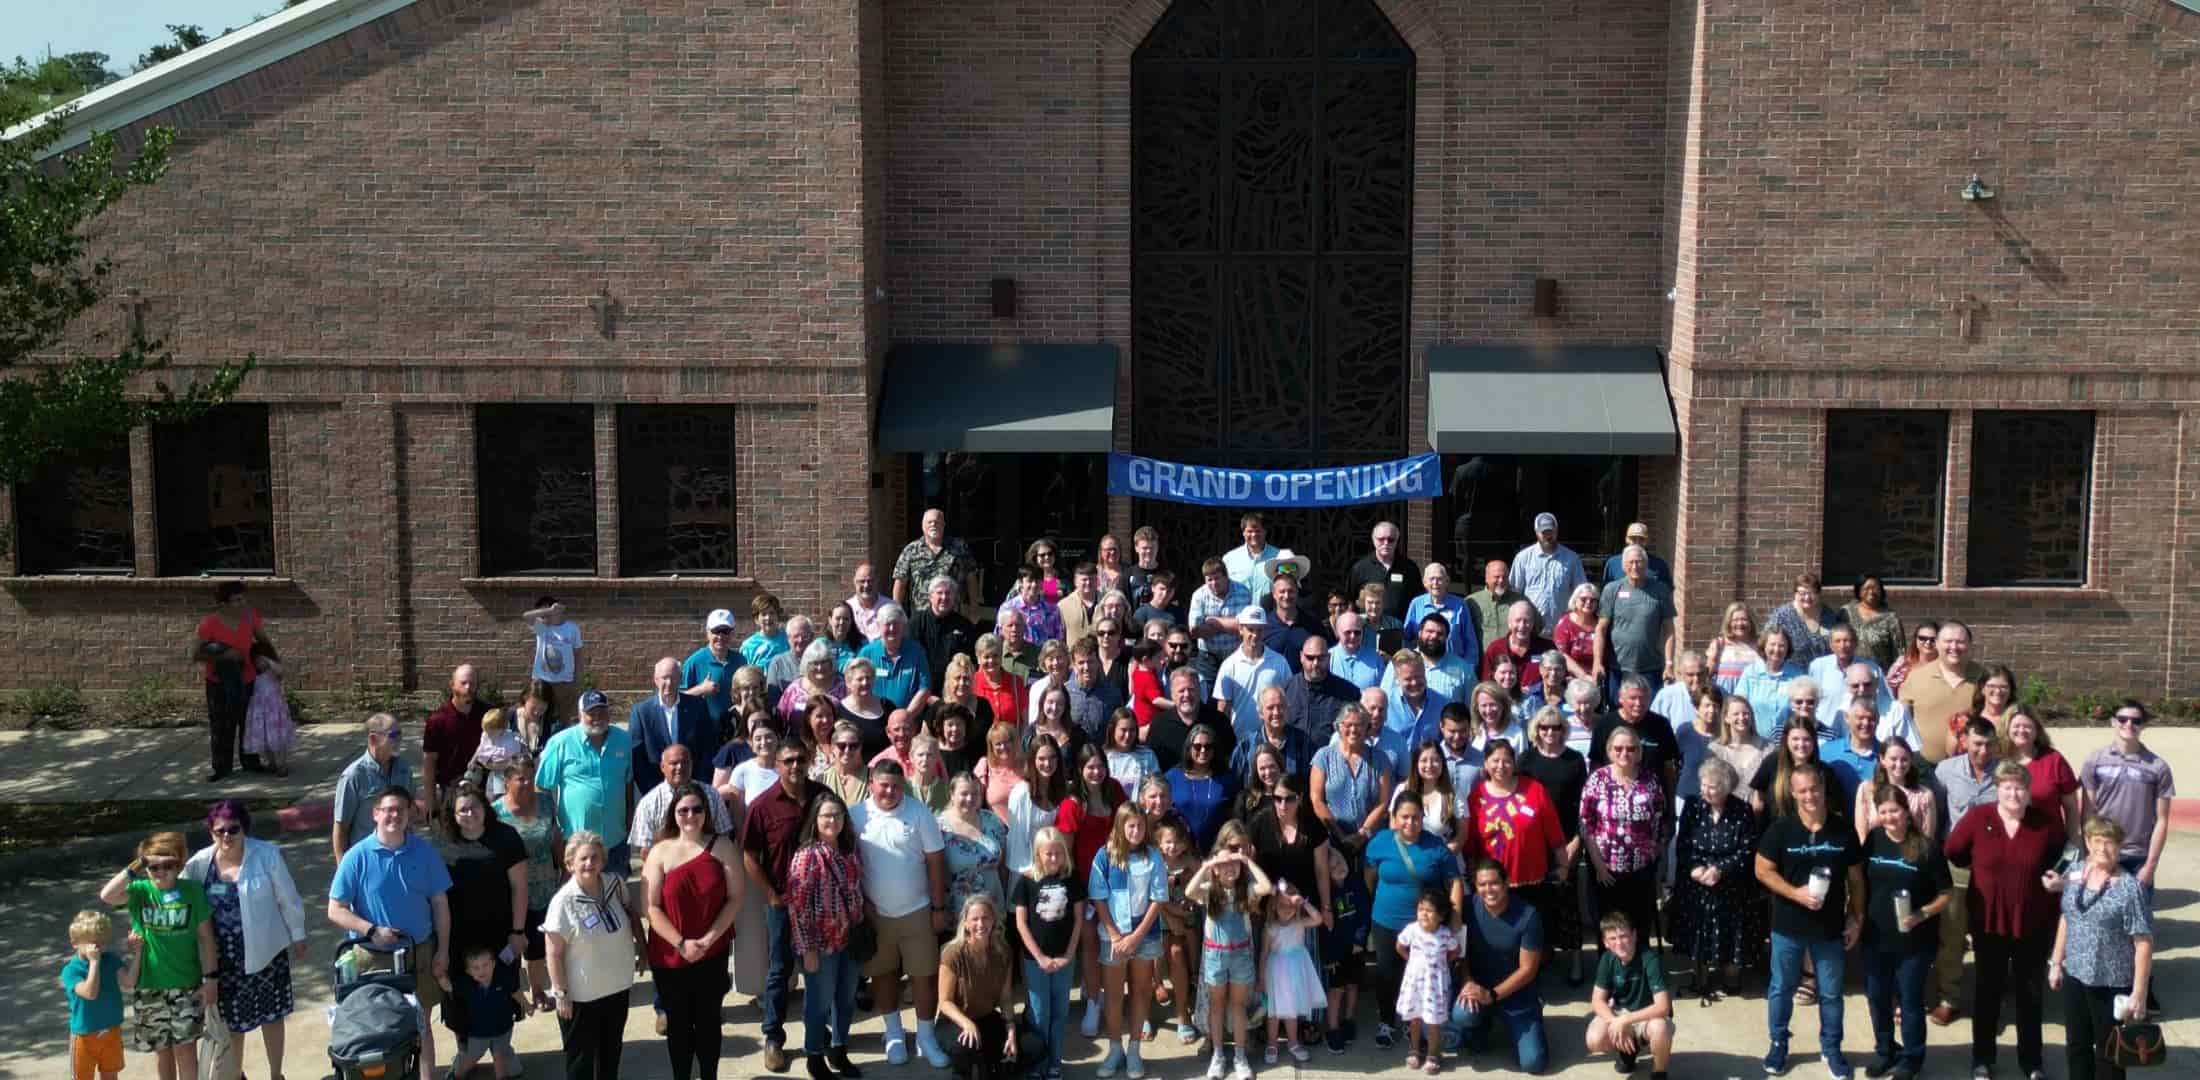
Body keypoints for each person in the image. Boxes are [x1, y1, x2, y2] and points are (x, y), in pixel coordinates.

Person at [1946, 760, 2065, 1080]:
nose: (2014, 793)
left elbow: (2060, 858)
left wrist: (2057, 881)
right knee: (1988, 993)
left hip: (2033, 922)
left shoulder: (2045, 823)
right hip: (1989, 922)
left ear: (2029, 792)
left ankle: (2032, 1062)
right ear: (1997, 789)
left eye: (2020, 787)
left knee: (2030, 995)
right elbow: (1954, 850)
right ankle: (1982, 1060)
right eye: (2007, 786)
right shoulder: (1978, 818)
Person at [325, 788, 453, 1080]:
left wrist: (442, 950)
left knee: (421, 1024)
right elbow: (335, 909)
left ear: (409, 815)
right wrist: (371, 930)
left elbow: (440, 904)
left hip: (419, 951)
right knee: (374, 1026)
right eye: (388, 809)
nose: (394, 815)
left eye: (401, 810)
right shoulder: (356, 857)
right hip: (371, 956)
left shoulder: (425, 853)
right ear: (376, 814)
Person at [1753, 761, 1863, 1079]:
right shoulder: (1781, 829)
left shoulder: (1842, 829)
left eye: (1814, 788)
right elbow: (1762, 869)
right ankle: (1778, 1044)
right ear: (1792, 792)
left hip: (1829, 929)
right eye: (1802, 790)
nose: (1809, 796)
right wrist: (1794, 893)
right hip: (1788, 926)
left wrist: (1857, 918)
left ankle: (1831, 1049)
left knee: (1830, 993)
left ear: (1824, 788)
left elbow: (1856, 880)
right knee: (1781, 989)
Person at [852, 761, 953, 1068]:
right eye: (884, 785)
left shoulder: (919, 812)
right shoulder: (856, 815)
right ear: (872, 783)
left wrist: (937, 908)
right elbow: (849, 863)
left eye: (896, 786)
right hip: (876, 914)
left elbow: (935, 861)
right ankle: (893, 1033)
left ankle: (925, 1035)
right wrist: (861, 905)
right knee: (882, 974)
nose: (890, 791)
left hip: (918, 910)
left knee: (923, 975)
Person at [98, 831, 216, 1080]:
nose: (160, 871)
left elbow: (206, 938)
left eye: (168, 865)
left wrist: (211, 979)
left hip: (187, 985)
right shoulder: (140, 891)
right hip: (150, 987)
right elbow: (107, 895)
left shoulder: (192, 891)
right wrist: (139, 863)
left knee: (185, 1051)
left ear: (179, 865)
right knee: (162, 1053)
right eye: (153, 866)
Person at [641, 782, 739, 1080]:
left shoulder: (722, 846)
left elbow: (735, 898)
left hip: (713, 952)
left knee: (709, 1023)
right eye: (683, 810)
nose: (690, 815)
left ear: (706, 812)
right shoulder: (659, 852)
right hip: (670, 956)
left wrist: (708, 941)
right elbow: (651, 907)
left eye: (697, 809)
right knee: (679, 1025)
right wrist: (682, 943)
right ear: (674, 814)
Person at [2050, 814, 2155, 1080]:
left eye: (2110, 843)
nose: (2102, 849)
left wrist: (2139, 994)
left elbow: (2143, 943)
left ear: (2119, 847)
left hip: (2110, 981)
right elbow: (2066, 916)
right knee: (2076, 1046)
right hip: (2075, 974)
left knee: (2109, 1053)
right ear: (2087, 842)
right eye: (2097, 841)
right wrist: (2055, 962)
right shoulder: (2075, 873)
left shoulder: (2130, 889)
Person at [1859, 782, 1952, 1080]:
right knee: (1876, 997)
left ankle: (1911, 1059)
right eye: (1883, 812)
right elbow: (1859, 882)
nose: (1889, 817)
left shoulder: (1925, 847)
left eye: (1894, 811)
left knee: (1911, 1002)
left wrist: (1921, 914)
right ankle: (1886, 1052)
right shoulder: (1873, 840)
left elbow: (1946, 893)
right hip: (1876, 937)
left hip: (1914, 942)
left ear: (1907, 812)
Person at [432, 784, 528, 1052]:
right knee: (459, 995)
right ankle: (465, 1051)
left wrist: (518, 931)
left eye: (475, 806)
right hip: (457, 935)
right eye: (462, 809)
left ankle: (501, 1050)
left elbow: (520, 887)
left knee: (500, 993)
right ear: (452, 813)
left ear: (485, 808)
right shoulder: (443, 843)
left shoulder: (506, 837)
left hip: (499, 933)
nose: (470, 813)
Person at [542, 830, 644, 1080]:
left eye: (594, 857)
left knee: (611, 1055)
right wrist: (561, 994)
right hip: (581, 998)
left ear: (603, 860)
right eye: (583, 859)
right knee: (581, 1063)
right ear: (569, 864)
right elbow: (553, 954)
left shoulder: (615, 884)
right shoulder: (563, 902)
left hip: (617, 987)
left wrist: (642, 947)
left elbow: (631, 914)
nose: (589, 863)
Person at [1365, 792, 1463, 1050]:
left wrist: (1455, 915)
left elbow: (1454, 880)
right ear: (1394, 819)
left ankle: (1414, 1023)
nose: (1410, 823)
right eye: (1404, 817)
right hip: (1385, 920)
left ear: (1423, 818)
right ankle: (1387, 1021)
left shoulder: (1435, 846)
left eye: (1416, 817)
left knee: (1421, 975)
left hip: (1425, 926)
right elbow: (1369, 876)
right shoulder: (1380, 842)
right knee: (1387, 973)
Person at [784, 793, 865, 1080]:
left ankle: (839, 1049)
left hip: (849, 940)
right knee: (818, 1003)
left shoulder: (849, 850)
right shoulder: (807, 856)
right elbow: (796, 905)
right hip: (821, 945)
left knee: (845, 1000)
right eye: (827, 815)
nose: (833, 820)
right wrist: (807, 949)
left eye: (838, 815)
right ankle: (814, 1055)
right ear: (815, 820)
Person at [1668, 757, 1760, 1002]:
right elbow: (1684, 843)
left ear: (1727, 788)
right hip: (1697, 881)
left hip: (1731, 882)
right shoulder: (1693, 805)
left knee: (1732, 939)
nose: (1705, 791)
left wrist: (1721, 870)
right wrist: (1695, 869)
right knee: (1698, 928)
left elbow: (1747, 849)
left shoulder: (1742, 810)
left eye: (1712, 787)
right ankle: (1700, 976)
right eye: (1703, 785)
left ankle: (1730, 973)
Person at [1929, 714, 2001, 1025]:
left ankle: (1990, 998)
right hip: (1956, 864)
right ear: (1964, 742)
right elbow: (1938, 815)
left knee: (1991, 935)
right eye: (1976, 744)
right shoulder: (1945, 771)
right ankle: (1949, 997)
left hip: (1994, 867)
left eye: (1988, 744)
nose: (1982, 750)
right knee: (1953, 932)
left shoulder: (2007, 774)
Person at [1091, 805, 1171, 1078]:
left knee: (1140, 992)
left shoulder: (1154, 857)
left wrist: (1136, 937)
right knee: (1113, 996)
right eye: (1131, 826)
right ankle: (1115, 1049)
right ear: (1120, 826)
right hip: (1112, 938)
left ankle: (1134, 1050)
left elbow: (1158, 898)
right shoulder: (1104, 856)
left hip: (1144, 938)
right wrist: (1115, 935)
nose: (1136, 831)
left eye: (1140, 826)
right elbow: (1098, 897)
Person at [1449, 860, 1548, 1072]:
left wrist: (1492, 995)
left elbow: (1528, 970)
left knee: (1534, 1063)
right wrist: (1467, 981)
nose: (1488, 890)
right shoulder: (1467, 907)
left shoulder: (1528, 915)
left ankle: (1527, 1020)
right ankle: (1479, 1027)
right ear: (1475, 886)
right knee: (1462, 1016)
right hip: (1479, 988)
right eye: (1482, 884)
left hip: (1516, 993)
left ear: (1507, 883)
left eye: (1494, 883)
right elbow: (1461, 953)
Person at [1514, 705, 1589, 983]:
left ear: (1563, 730)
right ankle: (1541, 957)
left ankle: (1576, 961)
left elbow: (1584, 804)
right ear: (1536, 730)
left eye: (1556, 727)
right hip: (1535, 842)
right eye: (1544, 727)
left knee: (1568, 902)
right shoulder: (1526, 761)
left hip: (1566, 840)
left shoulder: (1574, 761)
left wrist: (1576, 841)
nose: (1550, 733)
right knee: (1538, 902)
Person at [935, 895, 1044, 1080]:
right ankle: (964, 1072)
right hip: (954, 1021)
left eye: (985, 917)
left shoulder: (1003, 951)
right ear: (966, 923)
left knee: (1034, 1046)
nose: (980, 924)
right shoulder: (952, 953)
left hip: (986, 1018)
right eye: (975, 919)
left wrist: (1010, 1030)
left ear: (993, 920)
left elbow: (1006, 997)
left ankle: (996, 1067)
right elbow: (945, 1002)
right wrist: (966, 1023)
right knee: (966, 1045)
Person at [2079, 699, 2176, 898]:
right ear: (2113, 722)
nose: (2129, 724)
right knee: (2100, 922)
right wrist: (2088, 852)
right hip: (2102, 850)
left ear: (2143, 725)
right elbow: (2087, 812)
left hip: (2137, 856)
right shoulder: (2094, 761)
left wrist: (2150, 865)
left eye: (2136, 721)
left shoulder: (2158, 767)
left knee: (2137, 924)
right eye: (2122, 719)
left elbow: (2162, 821)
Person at [1011, 827, 1084, 1080]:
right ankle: (1036, 1064)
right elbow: (1021, 923)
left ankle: (1054, 1063)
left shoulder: (1072, 879)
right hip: (1035, 961)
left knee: (1060, 1012)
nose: (1053, 859)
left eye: (1058, 854)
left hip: (1065, 958)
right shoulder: (1026, 881)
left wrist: (1069, 954)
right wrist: (1040, 957)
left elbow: (1077, 920)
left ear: (1064, 854)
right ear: (1038, 855)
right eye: (1048, 854)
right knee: (1039, 1013)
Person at [536, 691, 635, 870]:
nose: (597, 718)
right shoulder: (560, 742)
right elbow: (541, 787)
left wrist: (630, 818)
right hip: (576, 841)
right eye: (591, 713)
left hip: (615, 839)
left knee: (615, 894)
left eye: (602, 712)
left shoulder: (624, 740)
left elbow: (627, 781)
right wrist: (551, 826)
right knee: (580, 896)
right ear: (580, 715)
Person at [190, 581, 278, 780]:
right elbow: (196, 654)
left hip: (247, 678)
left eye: (243, 598)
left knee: (248, 722)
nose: (242, 603)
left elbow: (263, 641)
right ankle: (221, 768)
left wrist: (274, 664)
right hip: (218, 683)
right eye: (236, 600)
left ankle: (251, 762)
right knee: (221, 725)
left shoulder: (250, 617)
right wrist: (224, 655)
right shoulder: (209, 624)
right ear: (222, 604)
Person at [490, 758, 559, 1008]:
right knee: (516, 944)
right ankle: (512, 992)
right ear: (506, 781)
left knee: (539, 945)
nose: (528, 783)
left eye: (531, 776)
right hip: (512, 891)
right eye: (521, 778)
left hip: (546, 887)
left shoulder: (546, 803)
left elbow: (555, 838)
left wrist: (563, 872)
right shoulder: (496, 813)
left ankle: (538, 990)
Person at [1584, 910, 1675, 1080]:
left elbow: (1663, 1007)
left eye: (1624, 936)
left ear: (1634, 935)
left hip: (1649, 1013)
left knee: (1660, 1029)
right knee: (1594, 1039)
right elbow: (1597, 1000)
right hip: (1620, 1012)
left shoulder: (1650, 959)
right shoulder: (1607, 959)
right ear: (1605, 942)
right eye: (1612, 938)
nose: (1619, 943)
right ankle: (1628, 1051)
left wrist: (1626, 1020)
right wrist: (1615, 1022)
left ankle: (1659, 1071)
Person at [61, 909, 137, 1080]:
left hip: (111, 1030)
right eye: (91, 942)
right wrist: (94, 963)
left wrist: (138, 953)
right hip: (84, 1037)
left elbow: (129, 982)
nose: (97, 947)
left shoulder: (111, 960)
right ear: (75, 942)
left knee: (110, 1075)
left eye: (101, 942)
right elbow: (90, 993)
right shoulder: (71, 971)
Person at [1391, 891, 1459, 1075]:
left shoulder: (1445, 934)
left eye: (1429, 910)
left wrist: (1442, 964)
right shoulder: (1412, 930)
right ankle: (1414, 1050)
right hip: (1415, 984)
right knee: (1415, 1019)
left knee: (1434, 1023)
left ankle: (1432, 1054)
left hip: (1435, 986)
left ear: (1441, 915)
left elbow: (1455, 951)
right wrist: (1412, 961)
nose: (1423, 914)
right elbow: (1399, 946)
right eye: (1421, 909)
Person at [633, 656, 721, 796]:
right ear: (655, 680)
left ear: (680, 679)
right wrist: (652, 792)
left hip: (693, 789)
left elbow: (708, 748)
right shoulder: (642, 712)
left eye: (674, 677)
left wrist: (699, 787)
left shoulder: (697, 707)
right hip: (656, 790)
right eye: (664, 678)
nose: (669, 682)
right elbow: (637, 758)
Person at [1898, 621, 1982, 764]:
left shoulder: (1983, 678)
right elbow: (1902, 720)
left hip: (1971, 767)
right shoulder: (1917, 677)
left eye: (1960, 642)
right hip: (1925, 768)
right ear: (1937, 644)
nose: (1954, 647)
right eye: (1948, 641)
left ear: (1969, 645)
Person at [333, 712, 416, 858]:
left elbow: (410, 812)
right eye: (393, 735)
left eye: (400, 734)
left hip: (401, 854)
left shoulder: (403, 769)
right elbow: (341, 827)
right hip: (368, 858)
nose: (399, 740)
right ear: (373, 739)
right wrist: (343, 869)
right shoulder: (353, 776)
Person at [1261, 881, 1326, 1065]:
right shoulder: (1270, 927)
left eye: (1291, 906)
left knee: (1292, 1011)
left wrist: (1303, 903)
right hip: (1276, 973)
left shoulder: (1299, 923)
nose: (1287, 910)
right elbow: (1264, 954)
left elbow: (1318, 919)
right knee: (1273, 1013)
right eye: (1282, 905)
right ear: (1274, 906)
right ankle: (1272, 1044)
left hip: (1296, 973)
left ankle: (1293, 1043)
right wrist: (1261, 978)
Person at [1595, 544, 1676, 692]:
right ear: (1623, 566)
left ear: (1646, 564)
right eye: (1630, 562)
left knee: (1648, 711)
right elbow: (1601, 629)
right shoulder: (1612, 589)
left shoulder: (1660, 590)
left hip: (1650, 668)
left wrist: (1669, 664)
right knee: (1617, 710)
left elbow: (1669, 630)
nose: (1635, 566)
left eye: (1639, 561)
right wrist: (1597, 662)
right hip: (1617, 668)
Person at [446, 946, 530, 1080]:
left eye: (485, 965)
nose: (481, 970)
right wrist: (440, 975)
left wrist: (527, 1005)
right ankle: (456, 1075)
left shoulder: (502, 979)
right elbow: (448, 986)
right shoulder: (465, 985)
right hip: (478, 1033)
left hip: (503, 1028)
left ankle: (501, 1076)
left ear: (494, 964)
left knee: (499, 1055)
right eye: (476, 968)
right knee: (472, 1057)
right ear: (468, 971)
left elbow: (516, 992)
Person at [939, 774, 1010, 921]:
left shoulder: (992, 820)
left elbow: (1003, 865)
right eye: (964, 794)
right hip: (959, 912)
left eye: (975, 794)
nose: (970, 799)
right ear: (952, 795)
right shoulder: (940, 827)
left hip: (993, 907)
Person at [423, 664, 490, 819]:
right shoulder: (437, 720)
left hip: (484, 786)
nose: (468, 687)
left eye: (472, 683)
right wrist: (430, 798)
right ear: (452, 685)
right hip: (450, 788)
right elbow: (429, 761)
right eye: (463, 683)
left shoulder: (488, 714)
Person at [1214, 606, 1291, 739]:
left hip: (1274, 741)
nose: (1255, 635)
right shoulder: (1229, 665)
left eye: (1259, 630)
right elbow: (1223, 710)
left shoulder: (1280, 662)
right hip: (1240, 741)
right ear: (1240, 629)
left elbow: (1289, 700)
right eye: (1250, 629)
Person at [1507, 513, 1586, 634]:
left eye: (1551, 532)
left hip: (1562, 630)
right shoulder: (1522, 558)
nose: (1548, 536)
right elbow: (1514, 594)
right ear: (1536, 532)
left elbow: (1581, 593)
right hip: (1530, 630)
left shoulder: (1572, 558)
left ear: (1557, 531)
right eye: (1543, 532)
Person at [2005, 705, 2080, 832]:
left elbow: (2071, 807)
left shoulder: (2054, 760)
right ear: (2006, 729)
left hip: (2050, 843)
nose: (2022, 730)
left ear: (2037, 730)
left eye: (2027, 726)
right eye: (2016, 726)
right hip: (2004, 844)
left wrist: (2073, 841)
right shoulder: (1997, 760)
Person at [1854, 738, 1936, 844]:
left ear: (1911, 760)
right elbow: (1862, 835)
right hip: (1876, 856)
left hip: (1911, 856)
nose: (1899, 764)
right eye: (1893, 759)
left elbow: (1928, 839)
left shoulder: (1924, 795)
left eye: (1904, 759)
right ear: (1882, 759)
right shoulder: (1866, 790)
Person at [894, 508, 981, 608]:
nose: (933, 525)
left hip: (952, 613)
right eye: (929, 522)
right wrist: (897, 611)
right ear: (923, 526)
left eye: (937, 522)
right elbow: (900, 582)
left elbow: (971, 577)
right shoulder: (911, 550)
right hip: (921, 615)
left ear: (943, 525)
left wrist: (974, 607)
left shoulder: (959, 547)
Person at [1735, 629, 1806, 738]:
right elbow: (1738, 705)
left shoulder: (1797, 675)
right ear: (1764, 646)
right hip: (1755, 741)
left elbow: (1804, 710)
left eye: (1781, 645)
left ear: (1788, 649)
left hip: (1787, 743)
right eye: (1772, 644)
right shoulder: (1750, 673)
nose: (1777, 649)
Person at [1346, 520, 1421, 620]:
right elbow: (1350, 601)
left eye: (1391, 539)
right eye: (1381, 539)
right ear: (1373, 540)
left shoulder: (1410, 568)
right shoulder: (1360, 568)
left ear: (1397, 540)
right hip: (1367, 628)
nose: (1386, 543)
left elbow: (1417, 600)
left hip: (1399, 628)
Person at [683, 609, 744, 730]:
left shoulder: (741, 661)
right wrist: (700, 689)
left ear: (732, 633)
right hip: (704, 730)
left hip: (736, 730)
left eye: (725, 631)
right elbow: (678, 698)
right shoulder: (694, 662)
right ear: (708, 633)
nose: (720, 636)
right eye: (716, 631)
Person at [1840, 573, 1904, 671]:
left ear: (1881, 591)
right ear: (1859, 591)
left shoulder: (1891, 618)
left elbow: (1899, 653)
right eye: (1867, 588)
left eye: (1875, 588)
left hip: (1879, 676)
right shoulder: (1846, 613)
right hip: (1849, 673)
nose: (1871, 592)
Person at [1463, 558, 1528, 653]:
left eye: (1505, 577)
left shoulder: (1520, 601)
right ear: (1487, 578)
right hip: (1482, 662)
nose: (1501, 581)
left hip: (1512, 661)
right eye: (1497, 577)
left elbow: (1536, 626)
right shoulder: (1471, 602)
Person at [998, 562, 1066, 646]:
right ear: (1020, 583)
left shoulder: (1052, 610)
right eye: (1029, 581)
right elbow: (998, 637)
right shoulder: (1007, 608)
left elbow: (1059, 640)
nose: (1034, 585)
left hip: (1044, 657)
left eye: (1037, 581)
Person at [835, 658, 891, 760]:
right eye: (860, 679)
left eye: (868, 678)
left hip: (882, 771)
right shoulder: (838, 711)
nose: (865, 682)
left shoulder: (887, 706)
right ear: (848, 683)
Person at [1706, 601, 1763, 692]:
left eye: (1744, 619)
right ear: (1728, 622)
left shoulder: (1760, 645)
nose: (1740, 624)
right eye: (1735, 620)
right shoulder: (1719, 644)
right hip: (1724, 699)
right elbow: (1708, 674)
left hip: (1750, 699)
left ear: (1751, 622)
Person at [1222, 511, 1281, 598]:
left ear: (1265, 532)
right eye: (1250, 531)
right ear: (1243, 533)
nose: (1254, 535)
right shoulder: (1229, 559)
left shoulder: (1279, 556)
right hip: (1238, 611)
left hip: (1269, 611)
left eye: (1258, 531)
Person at [764, 615, 820, 704]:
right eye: (796, 636)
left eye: (805, 636)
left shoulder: (821, 663)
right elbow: (772, 699)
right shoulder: (777, 663)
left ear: (812, 637)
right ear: (788, 638)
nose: (800, 640)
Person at [1552, 582, 1601, 681]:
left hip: (1598, 678)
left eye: (1592, 600)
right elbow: (1561, 655)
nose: (1588, 603)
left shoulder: (1601, 624)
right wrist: (1584, 677)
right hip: (1571, 679)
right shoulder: (1565, 623)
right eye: (1583, 599)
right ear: (1575, 600)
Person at [1885, 618, 1938, 698]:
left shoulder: (1945, 667)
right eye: (1922, 638)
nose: (1928, 642)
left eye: (1933, 639)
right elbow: (1887, 691)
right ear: (1915, 640)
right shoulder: (1902, 664)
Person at [848, 563, 889, 641]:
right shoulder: (847, 608)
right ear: (855, 582)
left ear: (877, 581)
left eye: (870, 581)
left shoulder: (890, 607)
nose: (866, 585)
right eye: (862, 581)